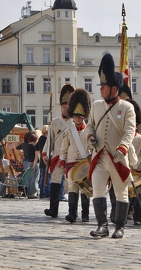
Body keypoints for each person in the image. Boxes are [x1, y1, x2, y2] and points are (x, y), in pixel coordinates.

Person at [86, 53, 136, 239]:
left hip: (118, 156)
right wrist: (90, 135)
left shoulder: (127, 108)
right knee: (97, 189)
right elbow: (90, 124)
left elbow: (130, 131)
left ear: (114, 89)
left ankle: (120, 226)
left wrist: (123, 147)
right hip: (100, 155)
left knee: (121, 192)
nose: (101, 89)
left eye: (104, 87)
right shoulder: (97, 106)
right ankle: (102, 225)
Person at [42, 84, 75, 218]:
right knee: (55, 181)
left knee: (73, 184)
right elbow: (49, 140)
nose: (65, 109)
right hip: (57, 156)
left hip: (72, 157)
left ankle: (72, 212)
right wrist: (45, 153)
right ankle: (53, 210)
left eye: (68, 107)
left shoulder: (75, 122)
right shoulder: (55, 123)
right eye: (63, 107)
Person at [59, 88, 92, 223]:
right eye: (76, 116)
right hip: (72, 163)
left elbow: (92, 147)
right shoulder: (68, 131)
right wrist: (62, 160)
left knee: (85, 190)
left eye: (80, 116)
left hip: (84, 164)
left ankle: (85, 215)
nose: (78, 118)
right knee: (72, 189)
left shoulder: (89, 130)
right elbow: (63, 148)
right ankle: (72, 214)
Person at [17, 131, 39, 198]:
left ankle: (27, 192)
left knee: (27, 178)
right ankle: (32, 193)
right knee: (34, 178)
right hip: (33, 162)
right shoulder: (35, 146)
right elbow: (36, 157)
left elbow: (17, 148)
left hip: (26, 162)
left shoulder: (24, 145)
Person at [34, 125, 49, 198]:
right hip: (46, 158)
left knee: (43, 176)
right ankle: (46, 193)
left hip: (41, 160)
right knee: (47, 177)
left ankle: (42, 194)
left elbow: (36, 148)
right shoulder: (47, 139)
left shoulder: (40, 138)